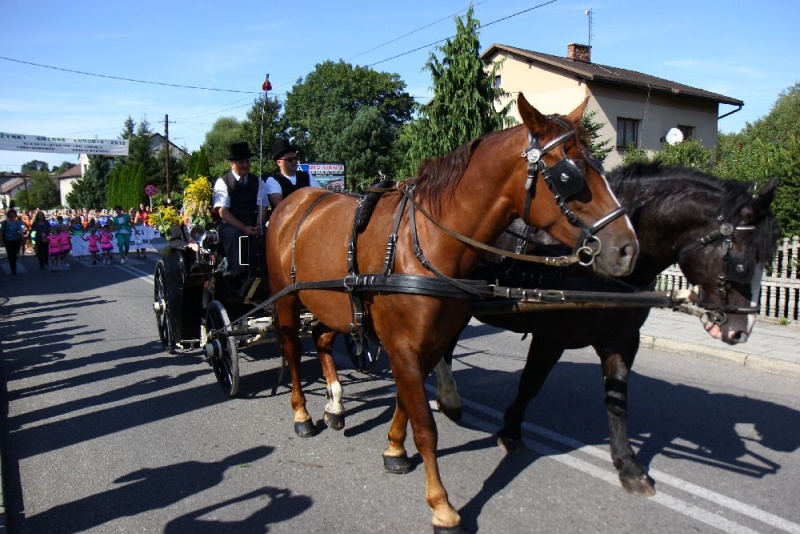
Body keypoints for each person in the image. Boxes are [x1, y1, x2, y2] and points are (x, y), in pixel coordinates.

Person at [212, 141, 269, 290]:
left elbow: (262, 205)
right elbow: (223, 212)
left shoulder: (258, 181)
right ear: (232, 164)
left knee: (269, 233)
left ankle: (270, 273)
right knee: (234, 235)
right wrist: (244, 228)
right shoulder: (223, 182)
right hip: (232, 224)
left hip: (253, 222)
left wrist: (258, 226)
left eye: (247, 162)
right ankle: (240, 277)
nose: (245, 165)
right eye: (241, 162)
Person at [263, 138, 320, 210]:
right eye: (289, 160)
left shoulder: (307, 176)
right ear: (279, 162)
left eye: (295, 158)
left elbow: (318, 197)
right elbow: (281, 207)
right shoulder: (273, 180)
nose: (294, 161)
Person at [0, 209, 26, 275]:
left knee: (15, 253)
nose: (12, 215)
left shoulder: (19, 222)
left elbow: (22, 231)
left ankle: (13, 263)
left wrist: (23, 237)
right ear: (8, 215)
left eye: (13, 213)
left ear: (15, 215)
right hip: (8, 240)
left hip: (16, 240)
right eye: (10, 214)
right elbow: (1, 232)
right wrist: (1, 241)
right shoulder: (5, 223)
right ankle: (13, 267)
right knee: (10, 254)